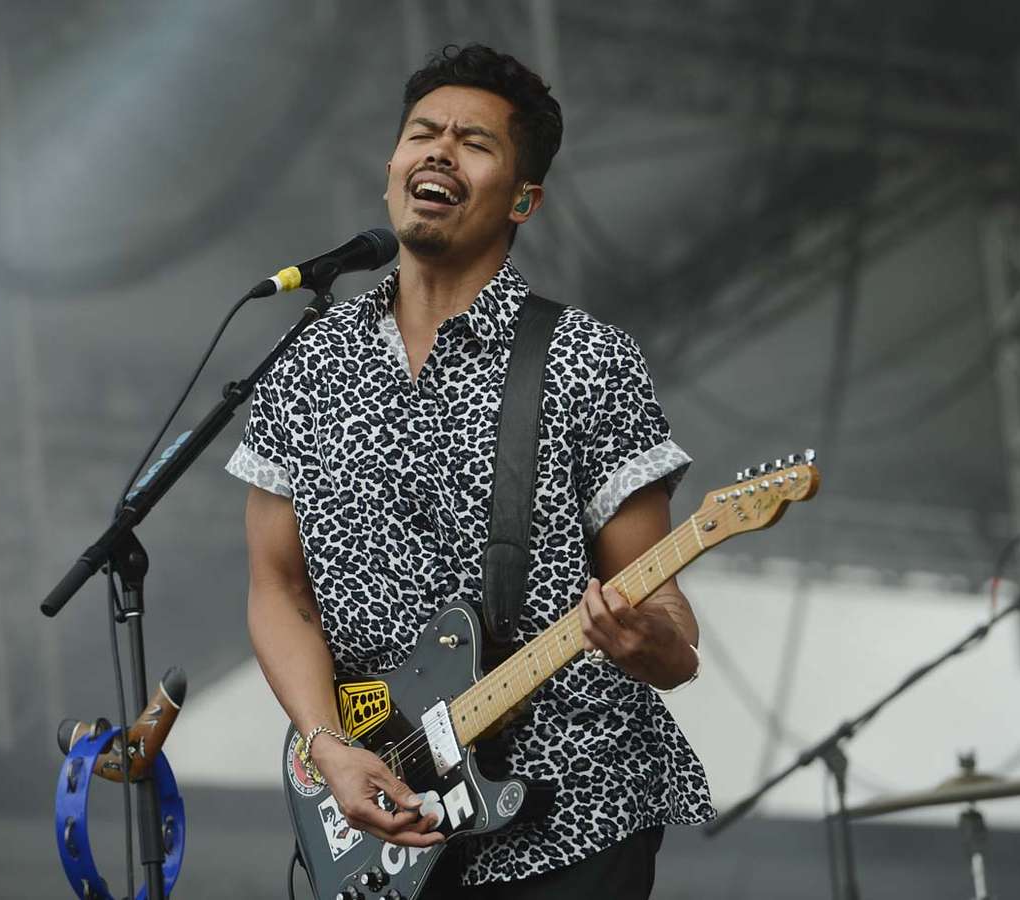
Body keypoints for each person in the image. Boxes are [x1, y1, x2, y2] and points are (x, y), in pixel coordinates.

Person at [227, 43, 713, 899]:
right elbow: (279, 590)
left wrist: (659, 647)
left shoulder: (587, 361)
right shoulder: (304, 366)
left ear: (524, 198)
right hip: (391, 817)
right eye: (423, 133)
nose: (441, 151)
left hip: (576, 811)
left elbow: (663, 606)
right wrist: (327, 747)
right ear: (392, 168)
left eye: (475, 142)